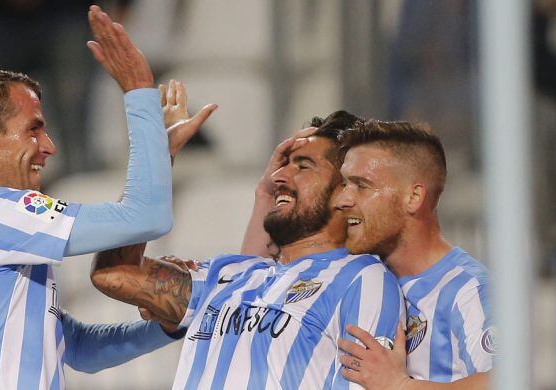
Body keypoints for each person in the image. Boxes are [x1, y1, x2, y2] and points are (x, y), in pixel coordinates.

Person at [0, 6, 215, 388]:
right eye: (33, 130)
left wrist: (167, 326)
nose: (49, 147)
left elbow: (77, 349)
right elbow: (145, 216)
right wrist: (138, 91)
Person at [90, 111, 405, 389]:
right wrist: (158, 159)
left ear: (345, 190)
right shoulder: (228, 273)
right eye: (283, 166)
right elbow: (115, 273)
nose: (279, 175)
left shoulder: (362, 280)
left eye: (303, 166)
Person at [333, 120, 493, 389]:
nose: (343, 200)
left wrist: (400, 386)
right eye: (344, 185)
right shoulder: (362, 280)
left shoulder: (469, 290)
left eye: (361, 185)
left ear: (413, 197)